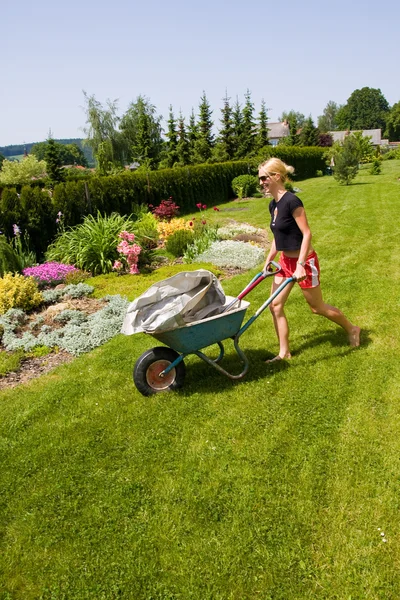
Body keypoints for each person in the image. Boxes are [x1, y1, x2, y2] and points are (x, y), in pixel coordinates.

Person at [259, 157, 360, 363]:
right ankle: (284, 352)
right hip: (285, 262)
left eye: (264, 178)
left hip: (304, 262)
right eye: (260, 179)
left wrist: (300, 265)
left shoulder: (292, 202)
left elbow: (306, 234)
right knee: (275, 306)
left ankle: (352, 328)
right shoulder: (273, 205)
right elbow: (278, 238)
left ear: (277, 176)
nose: (261, 183)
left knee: (317, 308)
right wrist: (269, 259)